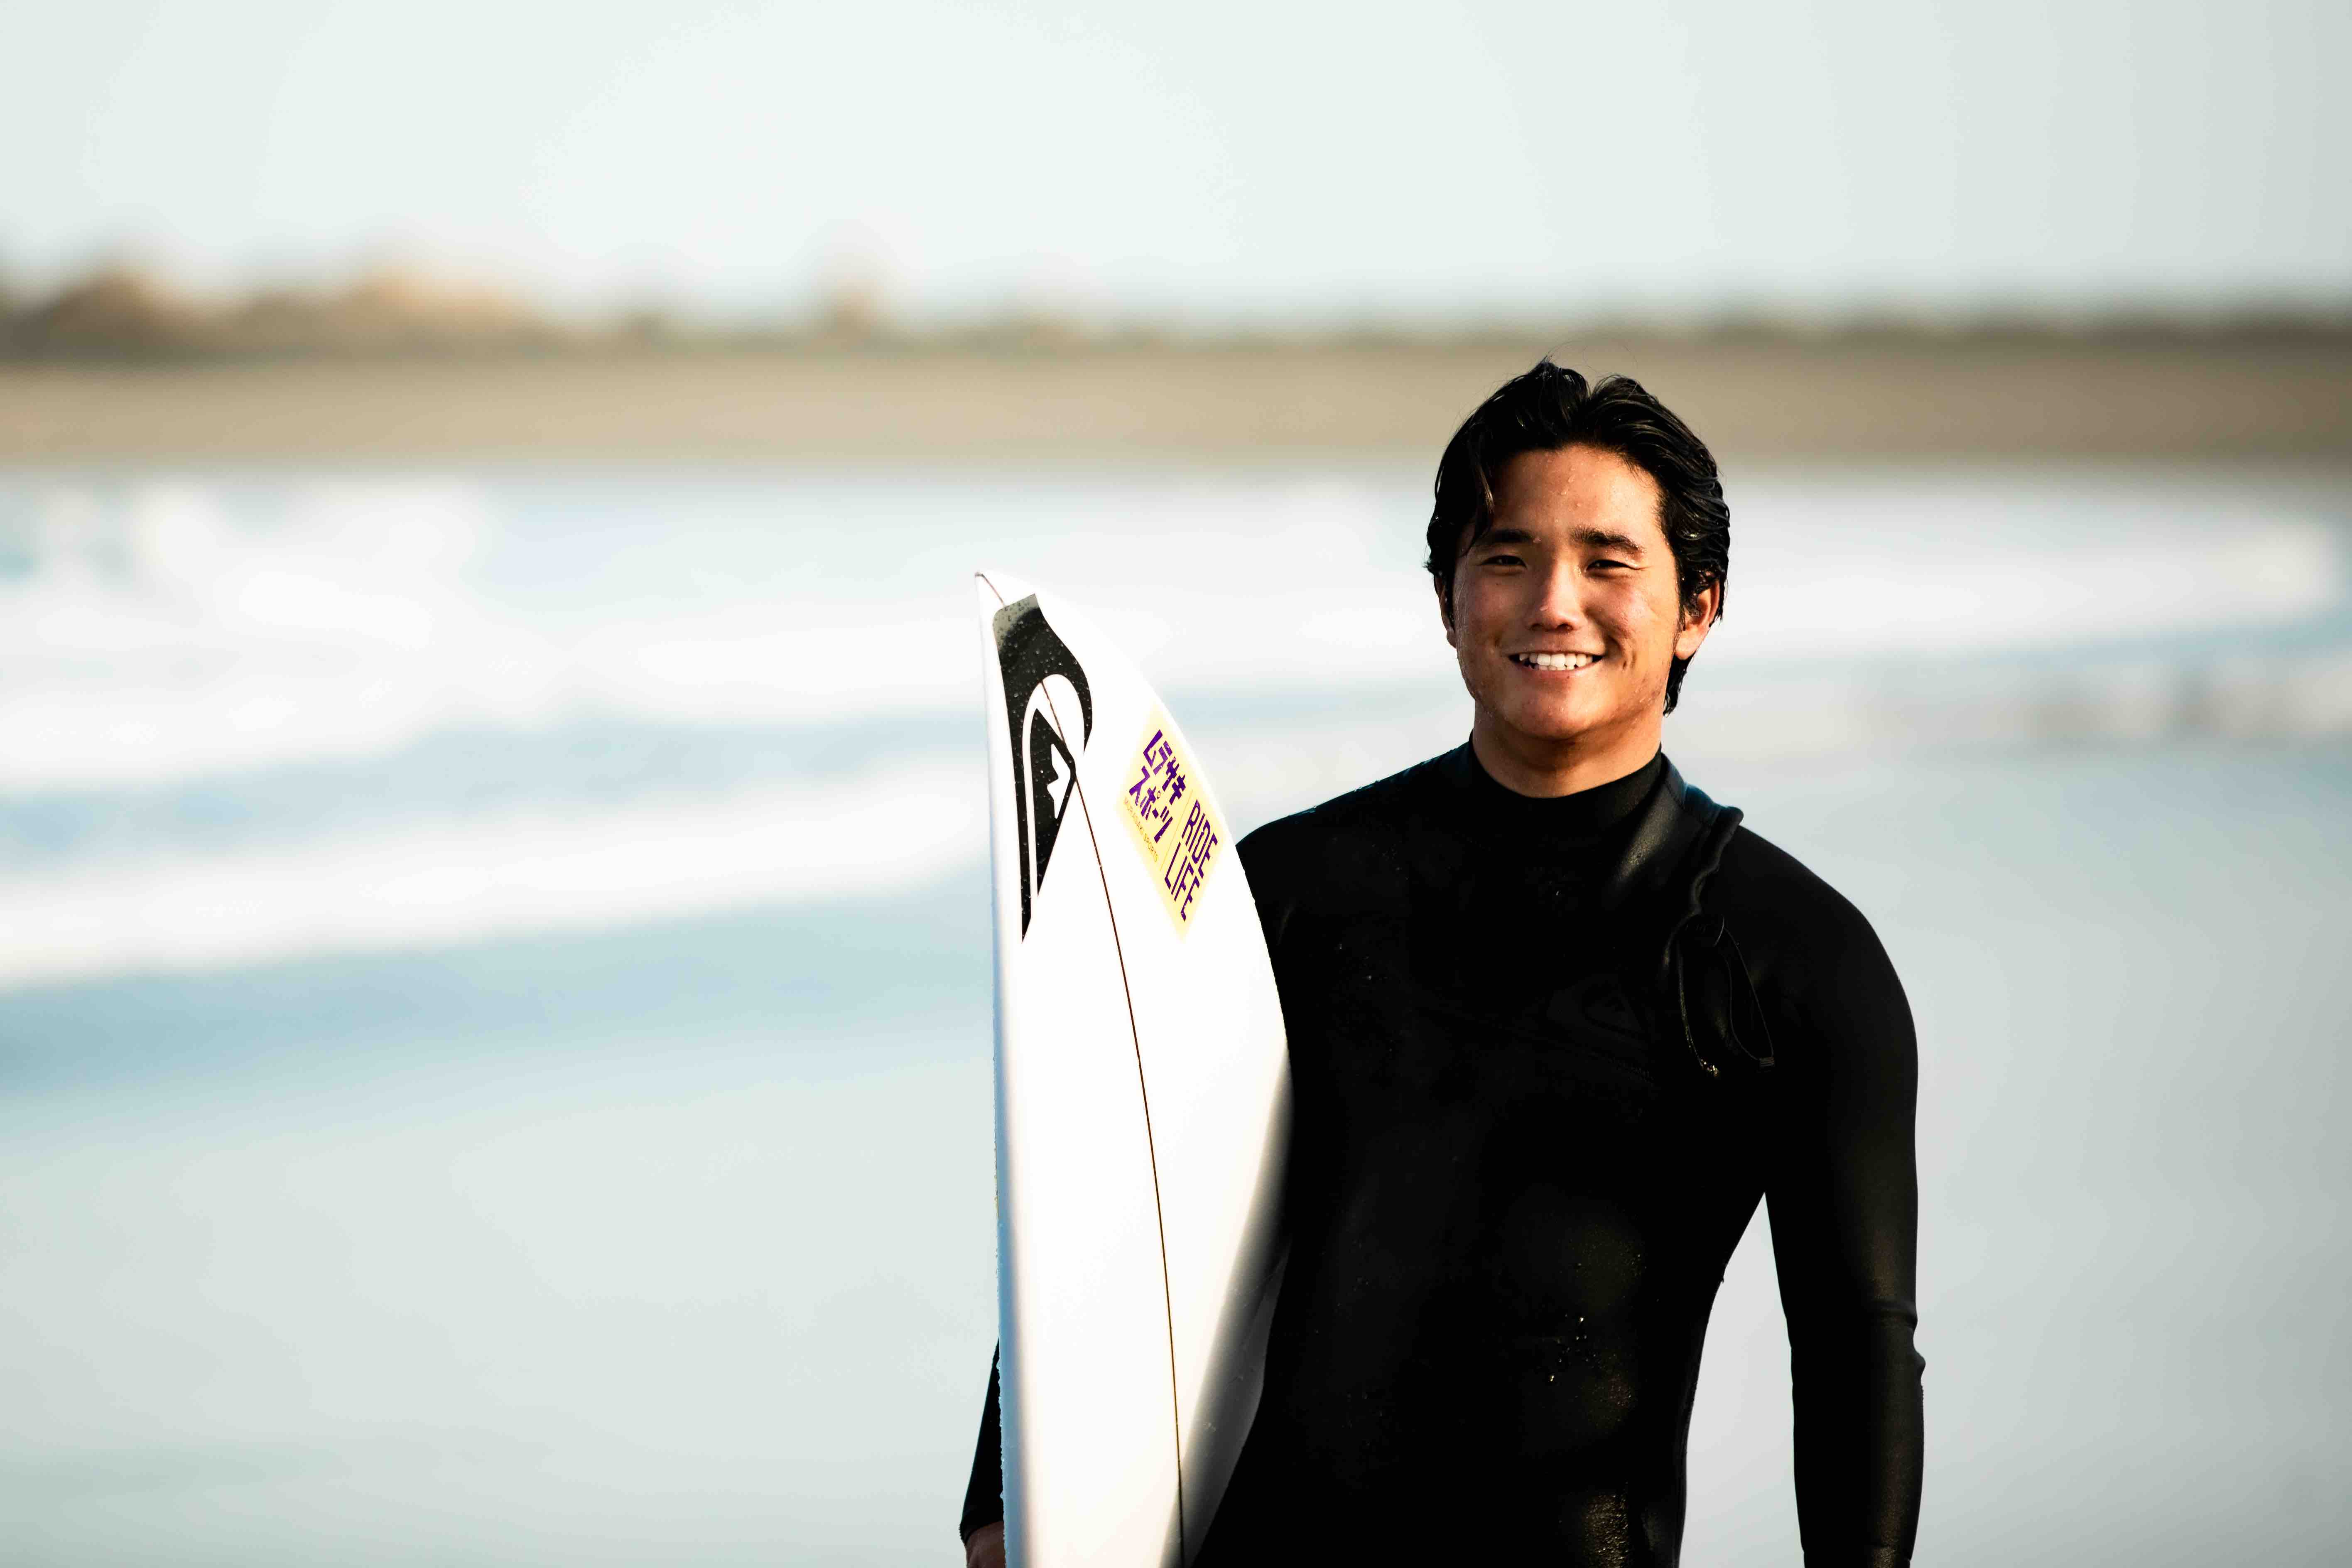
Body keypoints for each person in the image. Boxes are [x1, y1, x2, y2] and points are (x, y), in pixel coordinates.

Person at [961, 361, 1924, 1567]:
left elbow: (1853, 1348)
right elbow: (1102, 1197)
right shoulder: (1295, 892)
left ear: (1698, 608)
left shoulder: (1791, 960)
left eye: (1609, 563)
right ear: (1448, 598)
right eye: (1507, 558)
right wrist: (1006, 1513)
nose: (1555, 603)